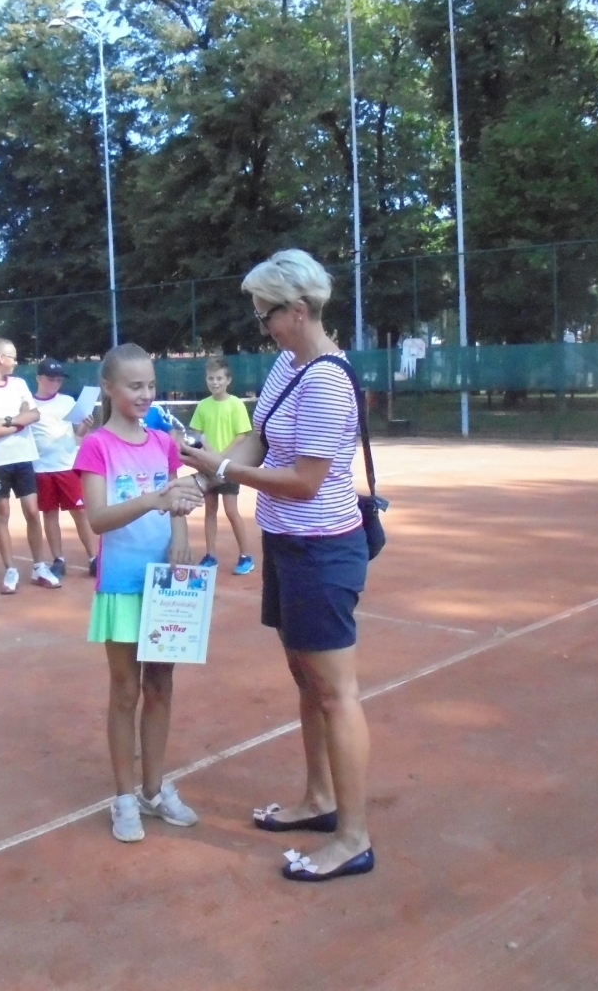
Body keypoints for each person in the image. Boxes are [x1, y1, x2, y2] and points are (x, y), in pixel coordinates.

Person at [178, 249, 374, 882]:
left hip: (323, 549)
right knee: (305, 680)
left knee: (337, 693)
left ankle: (353, 837)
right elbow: (257, 438)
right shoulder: (291, 367)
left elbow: (305, 482)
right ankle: (318, 800)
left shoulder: (326, 380)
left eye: (265, 314)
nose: (260, 325)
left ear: (297, 311)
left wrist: (222, 471)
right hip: (288, 546)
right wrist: (207, 470)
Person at [75, 343, 204, 843]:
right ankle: (125, 797)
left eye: (150, 385)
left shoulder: (163, 442)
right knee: (125, 689)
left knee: (161, 685)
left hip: (165, 587)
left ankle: (155, 788)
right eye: (134, 386)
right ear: (108, 387)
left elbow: (179, 503)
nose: (145, 394)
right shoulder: (97, 447)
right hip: (122, 584)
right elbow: (99, 518)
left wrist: (182, 538)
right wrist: (153, 498)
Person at [0, 338, 60, 594]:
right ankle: (10, 569)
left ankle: (39, 566)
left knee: (32, 511)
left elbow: (34, 414)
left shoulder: (19, 384)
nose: (16, 361)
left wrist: (8, 421)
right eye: (12, 357)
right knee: (3, 514)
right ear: (0, 359)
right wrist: (18, 421)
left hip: (24, 458)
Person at [30, 357, 98, 579]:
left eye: (58, 380)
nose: (55, 383)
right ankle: (58, 559)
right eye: (51, 379)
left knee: (80, 511)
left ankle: (94, 558)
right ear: (39, 378)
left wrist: (86, 426)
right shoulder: (28, 405)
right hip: (41, 469)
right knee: (50, 513)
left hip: (68, 466)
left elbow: (78, 433)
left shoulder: (68, 401)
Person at [188, 355, 255, 575]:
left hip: (228, 467)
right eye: (210, 378)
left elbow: (242, 436)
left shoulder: (235, 404)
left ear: (228, 380)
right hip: (206, 468)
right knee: (210, 509)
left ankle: (246, 555)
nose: (214, 382)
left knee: (231, 510)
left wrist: (221, 458)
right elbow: (196, 435)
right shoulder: (203, 406)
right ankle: (210, 556)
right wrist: (204, 454)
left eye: (218, 378)